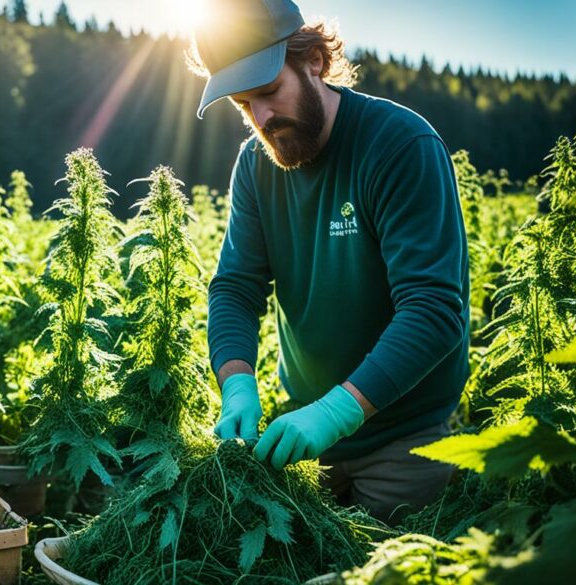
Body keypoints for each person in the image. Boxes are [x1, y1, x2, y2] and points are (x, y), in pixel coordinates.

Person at [188, 0, 470, 524]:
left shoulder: (399, 145)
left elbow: (433, 311)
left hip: (402, 436)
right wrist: (237, 384)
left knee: (377, 567)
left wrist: (337, 413)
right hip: (307, 427)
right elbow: (235, 288)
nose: (262, 119)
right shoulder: (255, 166)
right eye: (245, 105)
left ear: (314, 59)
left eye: (269, 92)